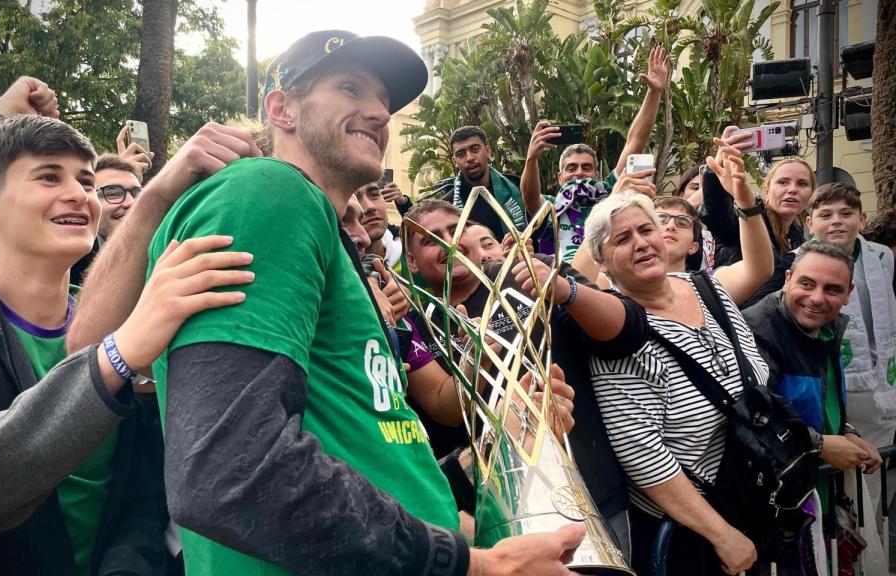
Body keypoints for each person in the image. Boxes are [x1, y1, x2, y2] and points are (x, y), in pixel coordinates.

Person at [67, 30, 586, 575]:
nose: (379, 113)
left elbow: (370, 446)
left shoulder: (320, 235)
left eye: (384, 101)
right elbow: (229, 472)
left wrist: (490, 488)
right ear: (281, 109)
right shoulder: (270, 192)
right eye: (350, 87)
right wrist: (471, 566)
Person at [0, 95, 253, 574]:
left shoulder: (126, 319)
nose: (79, 195)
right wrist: (115, 357)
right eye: (49, 177)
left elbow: (141, 495)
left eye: (86, 181)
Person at [403, 198, 650, 559]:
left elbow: (629, 330)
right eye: (430, 239)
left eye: (455, 230)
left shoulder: (528, 273)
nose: (449, 241)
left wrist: (565, 290)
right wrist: (478, 353)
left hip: (589, 487)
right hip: (497, 512)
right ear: (410, 262)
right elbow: (445, 411)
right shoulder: (413, 323)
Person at [584, 192, 767, 575]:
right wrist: (721, 534)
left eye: (646, 229)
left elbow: (756, 372)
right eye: (621, 239)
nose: (641, 243)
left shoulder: (706, 287)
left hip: (749, 492)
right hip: (691, 531)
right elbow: (643, 455)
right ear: (600, 261)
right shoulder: (617, 331)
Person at [742, 241, 883, 549]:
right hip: (774, 507)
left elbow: (817, 398)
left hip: (815, 494)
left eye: (832, 289)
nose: (816, 298)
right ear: (788, 278)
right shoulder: (758, 329)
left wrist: (847, 431)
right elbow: (753, 417)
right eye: (806, 283)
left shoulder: (829, 327)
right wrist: (819, 445)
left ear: (849, 293)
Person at [571, 140, 774, 305]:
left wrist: (746, 203)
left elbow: (759, 269)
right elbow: (575, 285)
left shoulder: (707, 287)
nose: (670, 226)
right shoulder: (611, 287)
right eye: (658, 221)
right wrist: (612, 205)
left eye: (683, 222)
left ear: (695, 246)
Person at [519, 44, 670, 261]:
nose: (579, 172)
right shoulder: (551, 207)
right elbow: (529, 196)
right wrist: (531, 158)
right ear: (559, 178)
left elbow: (634, 141)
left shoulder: (611, 193)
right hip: (562, 285)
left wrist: (654, 92)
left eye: (586, 167)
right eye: (571, 168)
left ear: (597, 175)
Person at [804, 185, 896, 462]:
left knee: (876, 465)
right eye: (826, 214)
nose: (836, 221)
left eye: (846, 213)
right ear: (809, 224)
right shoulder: (799, 261)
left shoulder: (882, 256)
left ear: (862, 219)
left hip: (882, 378)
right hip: (830, 376)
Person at [700, 127, 814, 308]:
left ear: (810, 195)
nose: (792, 189)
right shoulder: (749, 219)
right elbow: (718, 217)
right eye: (783, 182)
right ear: (766, 191)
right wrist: (717, 171)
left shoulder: (799, 237)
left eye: (802, 183)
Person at [437, 125, 528, 239]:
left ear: (488, 151)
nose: (469, 158)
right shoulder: (447, 205)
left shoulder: (516, 187)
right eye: (461, 154)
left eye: (475, 149)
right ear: (455, 161)